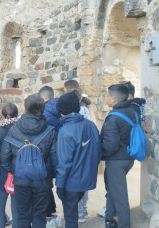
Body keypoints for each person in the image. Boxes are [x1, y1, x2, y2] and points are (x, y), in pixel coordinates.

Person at [1, 94, 57, 227]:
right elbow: (55, 158)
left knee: (22, 215)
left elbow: (4, 157)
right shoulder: (50, 131)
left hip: (21, 179)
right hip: (43, 180)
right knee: (39, 214)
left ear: (25, 109)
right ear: (42, 109)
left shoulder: (14, 130)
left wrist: (16, 170)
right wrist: (49, 173)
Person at [55, 91, 101, 228]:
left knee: (70, 218)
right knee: (73, 213)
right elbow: (97, 153)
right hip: (86, 178)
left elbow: (64, 163)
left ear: (62, 111)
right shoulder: (91, 125)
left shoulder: (65, 130)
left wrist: (60, 185)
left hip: (70, 182)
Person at [101, 84, 136, 228]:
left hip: (116, 161)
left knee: (120, 196)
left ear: (114, 99)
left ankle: (124, 225)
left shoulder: (113, 117)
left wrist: (101, 155)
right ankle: (109, 220)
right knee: (113, 190)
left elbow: (111, 145)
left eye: (108, 95)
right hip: (129, 158)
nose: (106, 98)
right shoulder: (133, 111)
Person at [0, 103, 18, 228]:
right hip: (18, 172)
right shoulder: (21, 129)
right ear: (17, 114)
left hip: (2, 173)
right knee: (17, 209)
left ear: (2, 116)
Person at [38, 86, 62, 227]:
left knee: (43, 189)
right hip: (58, 154)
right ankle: (53, 215)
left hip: (45, 155)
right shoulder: (60, 109)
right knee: (48, 187)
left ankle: (48, 219)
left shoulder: (44, 113)